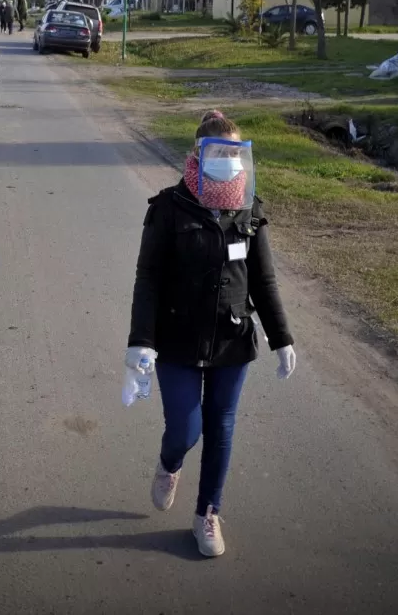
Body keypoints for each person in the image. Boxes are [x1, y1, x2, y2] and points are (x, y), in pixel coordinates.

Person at [124, 109, 296, 559]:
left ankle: (207, 514)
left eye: (234, 152)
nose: (228, 160)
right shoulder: (168, 208)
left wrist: (282, 337)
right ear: (196, 156)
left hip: (232, 339)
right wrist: (140, 340)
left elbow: (264, 281)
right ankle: (170, 462)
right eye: (219, 152)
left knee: (221, 427)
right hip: (177, 338)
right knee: (185, 428)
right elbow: (148, 279)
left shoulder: (249, 210)